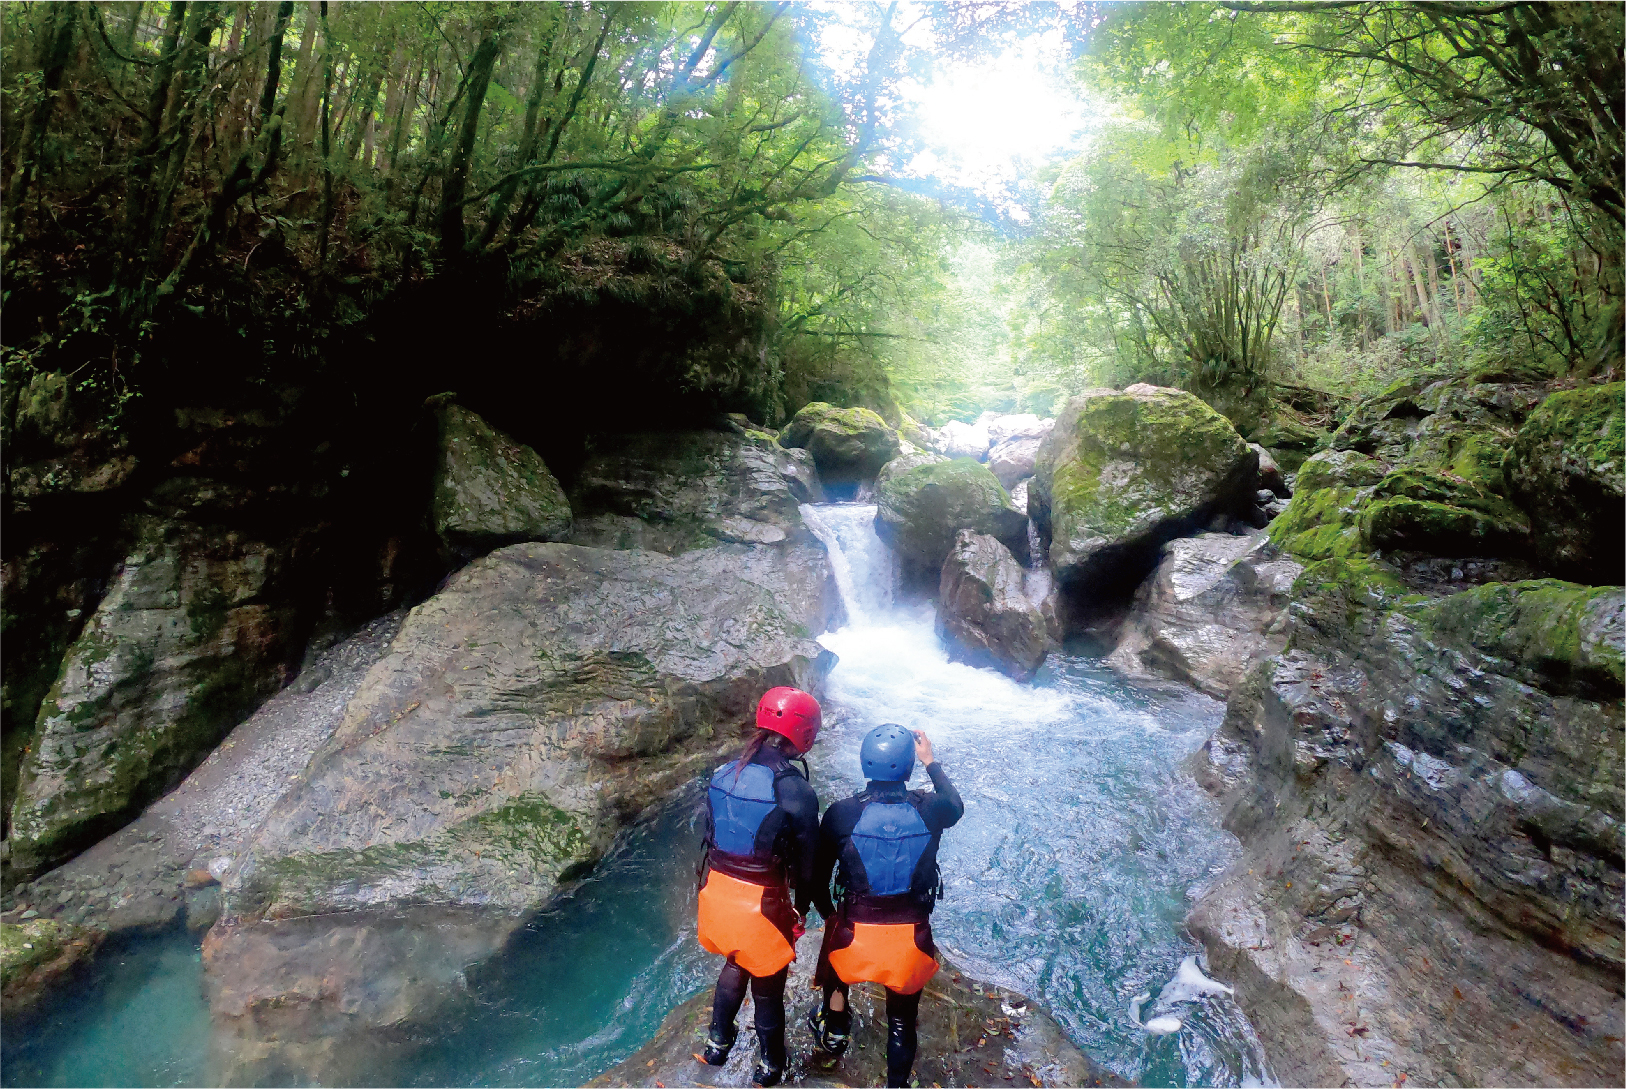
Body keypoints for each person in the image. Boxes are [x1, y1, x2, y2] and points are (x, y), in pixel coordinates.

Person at [808, 724, 964, 1088]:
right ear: (908, 768)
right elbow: (956, 803)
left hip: (852, 944)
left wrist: (833, 917)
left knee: (835, 941)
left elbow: (817, 881)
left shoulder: (841, 813)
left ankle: (835, 1029)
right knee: (901, 1021)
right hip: (910, 946)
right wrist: (931, 761)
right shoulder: (933, 808)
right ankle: (896, 1084)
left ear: (865, 764)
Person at [696, 686, 824, 1087]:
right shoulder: (796, 790)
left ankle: (717, 1043)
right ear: (804, 735)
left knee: (735, 961)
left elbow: (712, 834)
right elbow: (808, 867)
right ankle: (771, 1065)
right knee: (768, 986)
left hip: (715, 894)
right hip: (762, 907)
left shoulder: (723, 773)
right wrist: (801, 909)